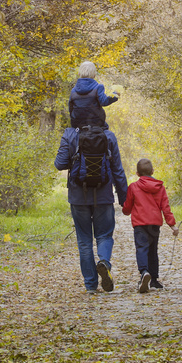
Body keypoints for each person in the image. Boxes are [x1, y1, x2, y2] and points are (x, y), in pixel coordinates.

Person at [54, 125, 128, 292]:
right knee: (104, 235)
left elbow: (59, 164)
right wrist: (124, 198)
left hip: (78, 197)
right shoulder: (108, 136)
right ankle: (104, 262)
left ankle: (90, 285)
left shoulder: (70, 134)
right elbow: (117, 170)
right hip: (103, 196)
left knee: (84, 241)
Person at [121, 158, 179, 293]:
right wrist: (172, 225)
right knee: (153, 250)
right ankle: (154, 280)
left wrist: (125, 210)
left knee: (141, 248)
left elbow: (127, 207)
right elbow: (166, 208)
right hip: (154, 224)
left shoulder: (133, 187)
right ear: (152, 171)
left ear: (137, 173)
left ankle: (144, 272)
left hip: (140, 224)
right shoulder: (160, 187)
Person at [68, 61, 119, 130]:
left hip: (77, 124)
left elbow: (70, 108)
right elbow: (104, 102)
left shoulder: (73, 91)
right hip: (96, 124)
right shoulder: (98, 87)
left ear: (79, 73)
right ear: (94, 75)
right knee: (109, 136)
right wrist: (115, 95)